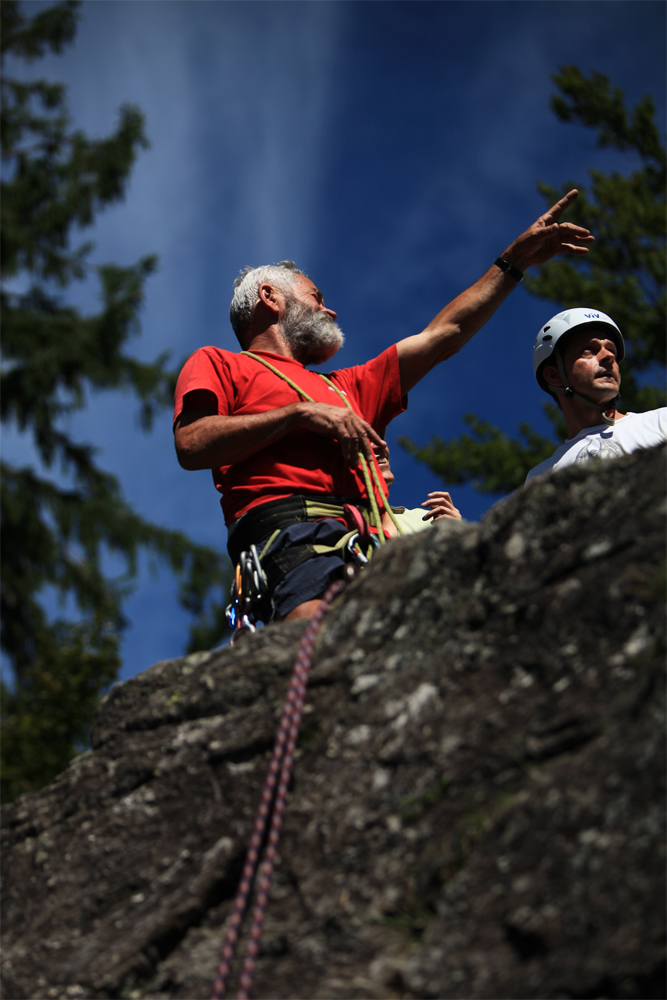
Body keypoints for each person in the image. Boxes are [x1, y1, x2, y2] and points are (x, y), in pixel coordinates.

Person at [174, 190, 593, 623]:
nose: (330, 309)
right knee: (322, 644)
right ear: (270, 297)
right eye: (316, 296)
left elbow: (442, 335)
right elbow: (191, 443)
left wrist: (512, 263)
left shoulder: (346, 387)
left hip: (370, 541)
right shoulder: (218, 363)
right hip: (290, 533)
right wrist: (298, 415)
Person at [526, 308, 667, 482]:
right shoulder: (541, 477)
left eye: (611, 350)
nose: (609, 356)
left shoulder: (661, 422)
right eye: (589, 350)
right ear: (554, 376)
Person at [374, 444, 461, 537]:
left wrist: (458, 539)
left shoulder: (426, 523)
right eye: (360, 442)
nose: (381, 445)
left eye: (378, 438)